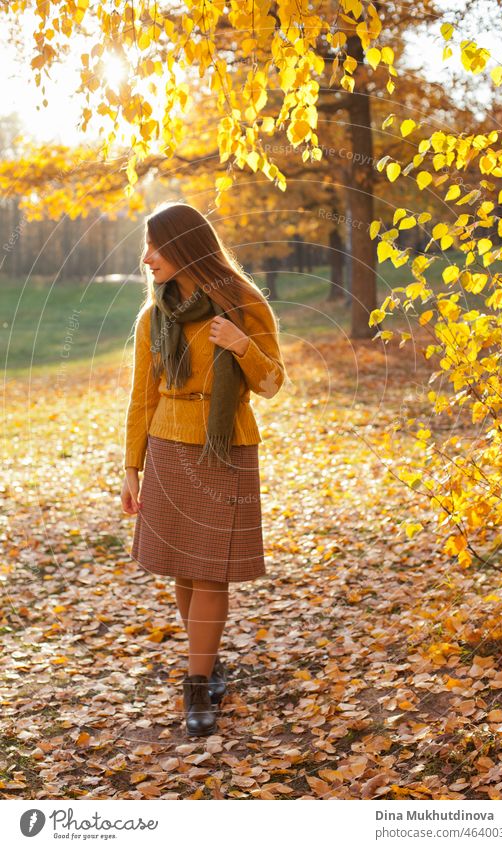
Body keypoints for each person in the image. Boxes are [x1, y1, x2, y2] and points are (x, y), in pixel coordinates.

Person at [120, 201, 286, 737]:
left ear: (185, 245)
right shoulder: (155, 316)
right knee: (183, 567)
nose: (146, 258)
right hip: (168, 445)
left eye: (155, 246)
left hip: (225, 446)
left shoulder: (244, 303)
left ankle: (196, 685)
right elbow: (141, 398)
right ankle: (204, 664)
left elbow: (271, 382)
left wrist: (241, 345)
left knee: (212, 566)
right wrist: (131, 467)